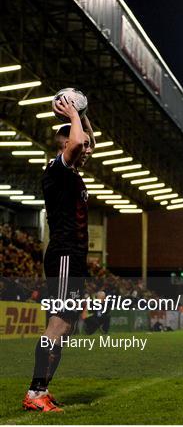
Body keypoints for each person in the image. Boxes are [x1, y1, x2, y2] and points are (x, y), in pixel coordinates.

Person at [22, 95, 95, 412]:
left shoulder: (72, 171)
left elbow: (86, 141)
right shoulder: (57, 168)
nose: (82, 149)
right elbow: (78, 142)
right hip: (64, 254)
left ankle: (43, 390)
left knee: (66, 329)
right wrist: (71, 114)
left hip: (74, 256)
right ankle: (35, 392)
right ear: (64, 144)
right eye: (73, 142)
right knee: (58, 323)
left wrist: (83, 113)